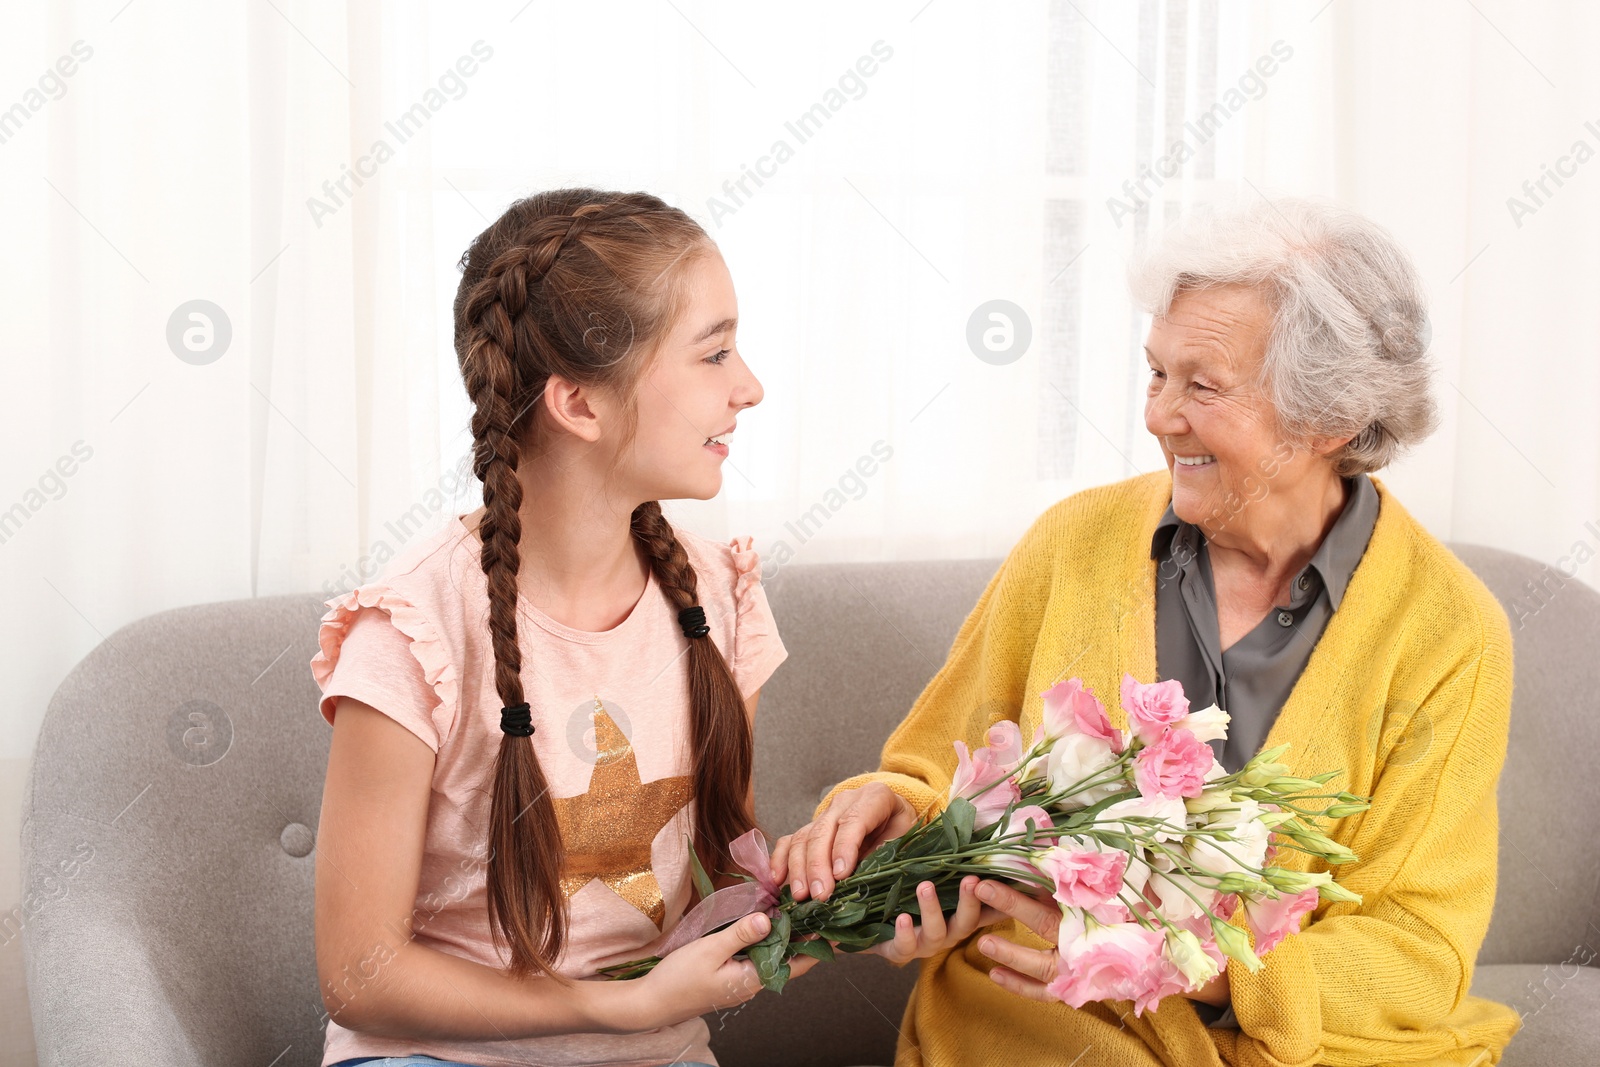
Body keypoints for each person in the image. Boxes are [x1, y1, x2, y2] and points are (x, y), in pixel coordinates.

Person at [771, 198, 1522, 1066]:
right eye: (1156, 373)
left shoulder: (1449, 631)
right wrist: (893, 828)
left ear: (1332, 419)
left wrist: (1197, 969)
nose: (1160, 415)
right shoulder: (1074, 544)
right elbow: (941, 774)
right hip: (1041, 1020)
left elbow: (1418, 954)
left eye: (1201, 385)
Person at [309, 188, 809, 1067]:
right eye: (714, 352)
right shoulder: (414, 633)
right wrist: (620, 1009)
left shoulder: (719, 601)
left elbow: (721, 895)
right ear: (578, 404)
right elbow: (359, 973)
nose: (751, 386)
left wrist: (856, 917)